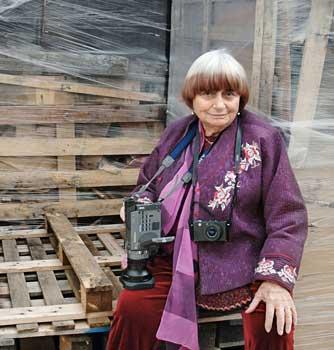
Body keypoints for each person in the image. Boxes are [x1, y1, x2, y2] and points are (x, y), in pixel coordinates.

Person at [107, 49, 307, 350]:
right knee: (132, 307)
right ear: (192, 98)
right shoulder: (177, 134)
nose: (219, 105)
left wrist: (276, 281)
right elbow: (146, 186)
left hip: (243, 262)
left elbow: (288, 216)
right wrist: (134, 204)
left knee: (274, 320)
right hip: (173, 258)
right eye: (208, 93)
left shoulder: (263, 139)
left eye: (229, 93)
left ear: (241, 98)